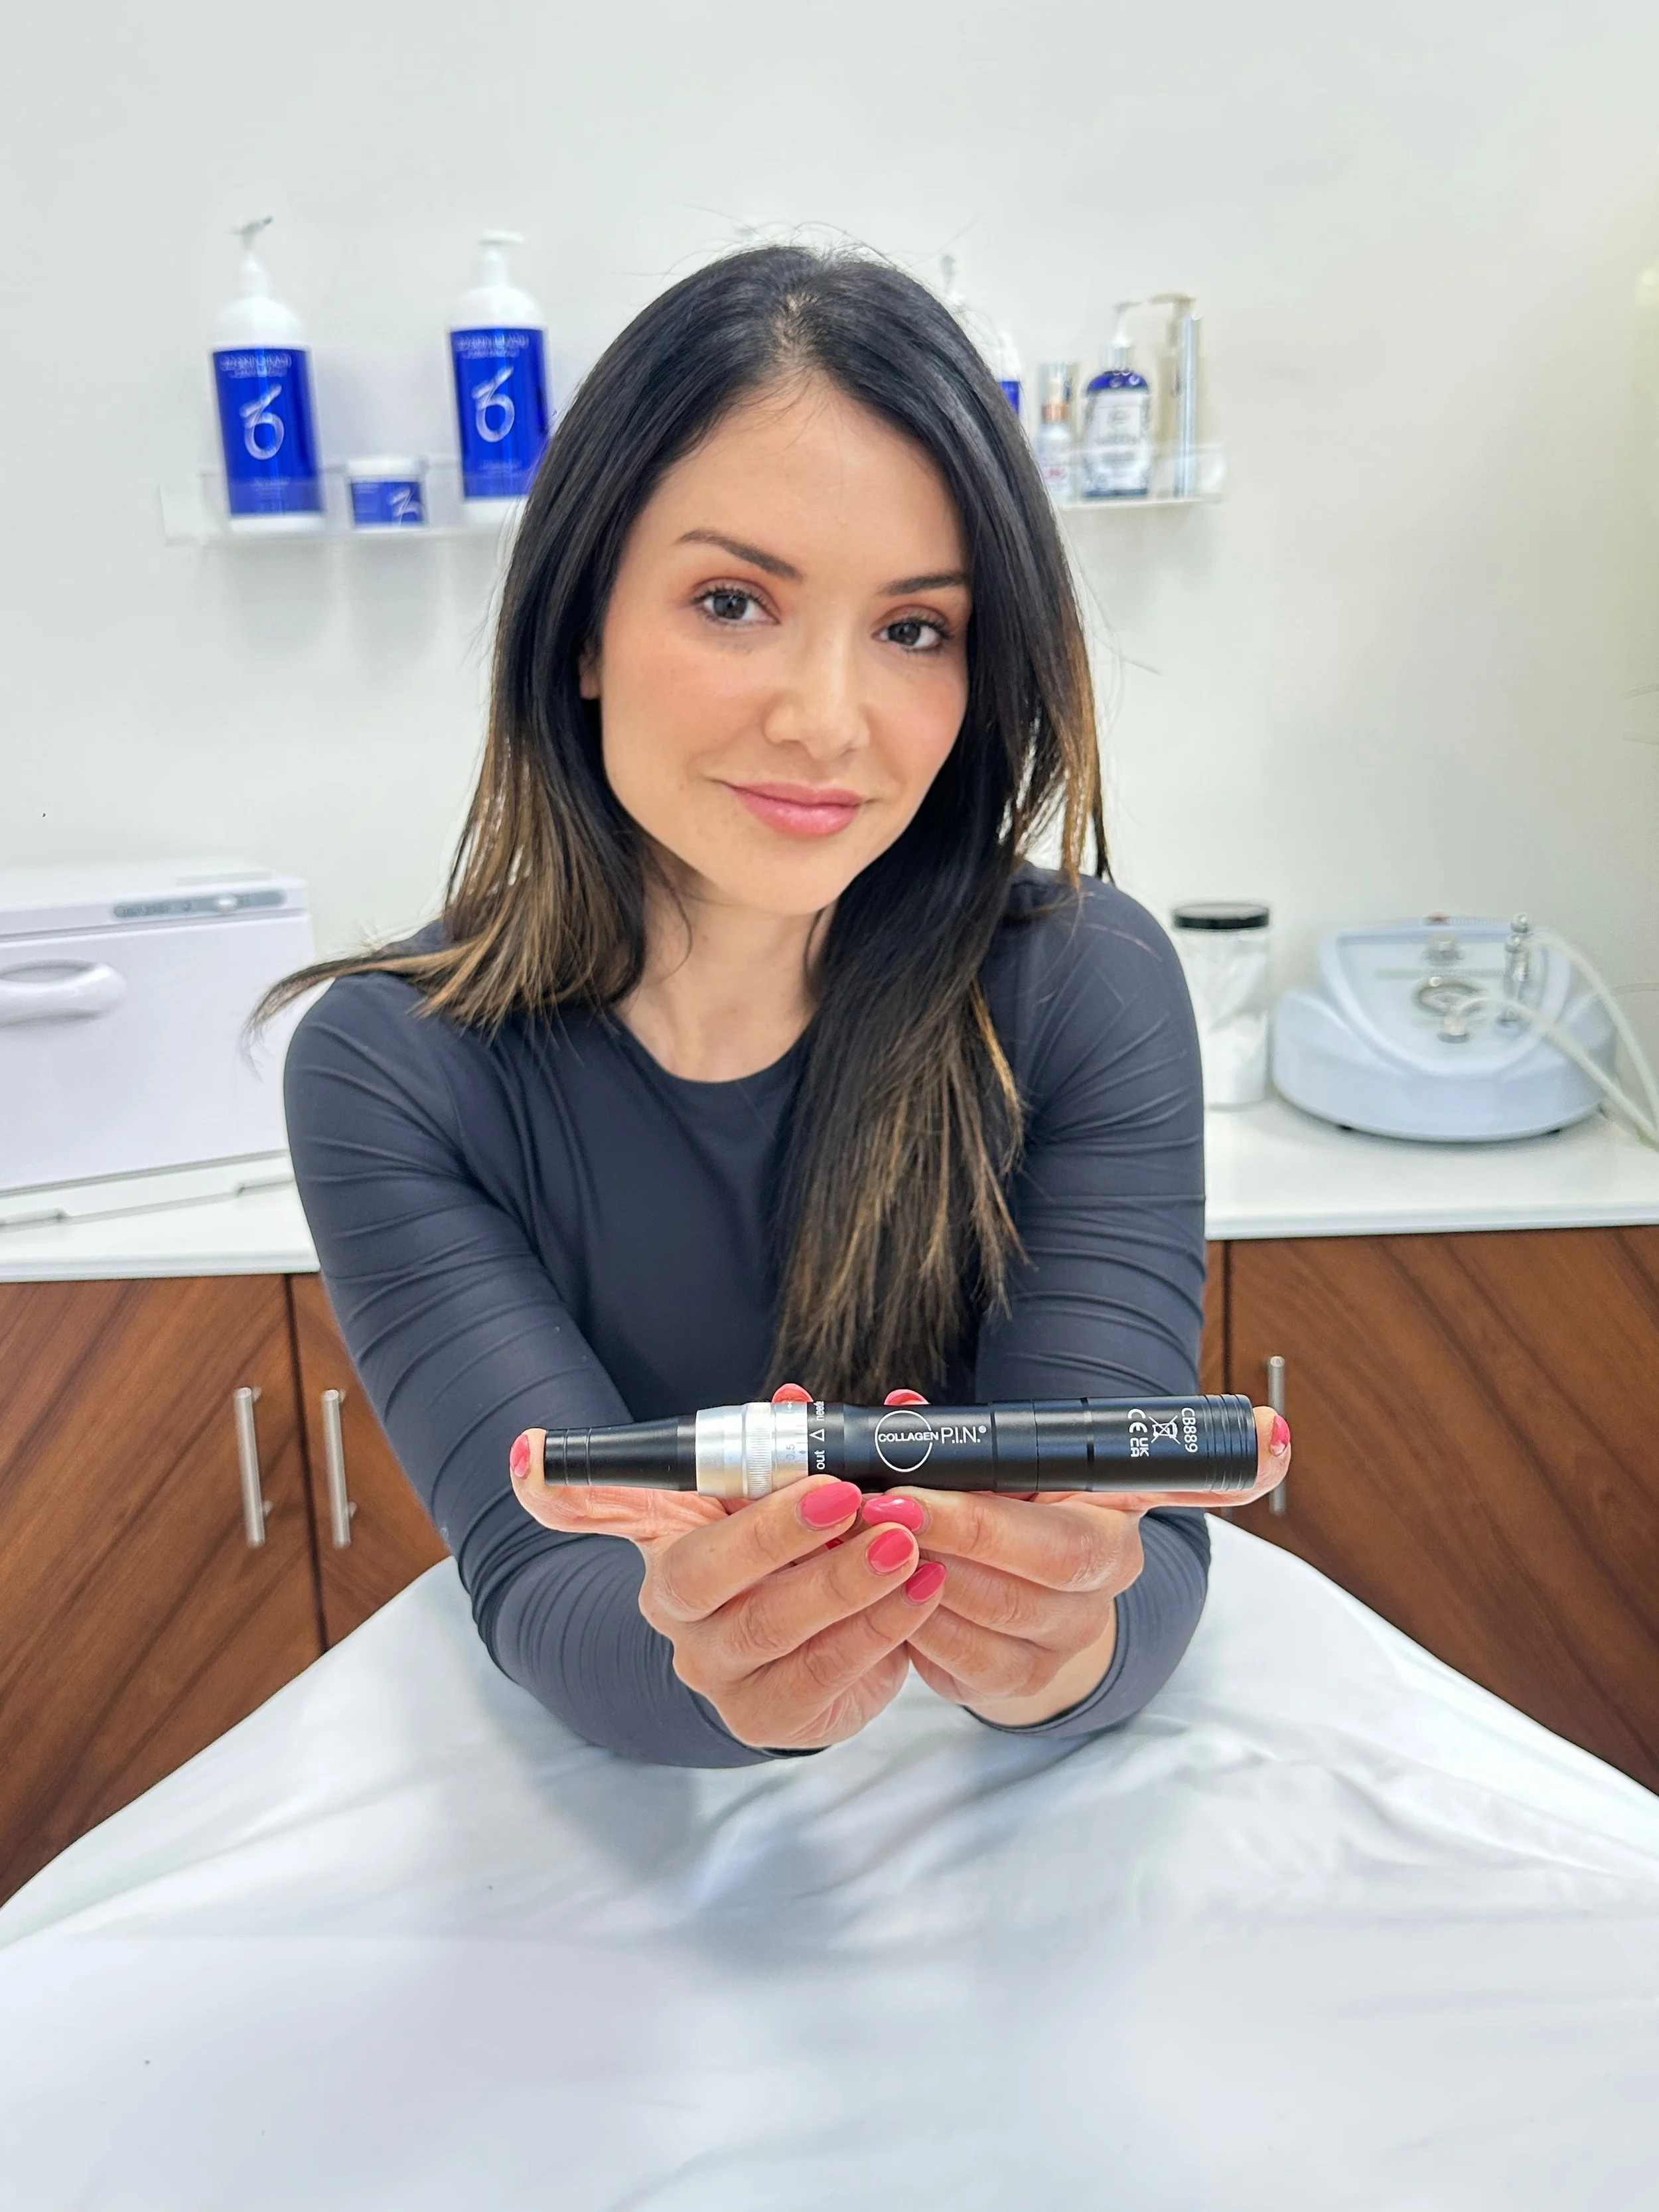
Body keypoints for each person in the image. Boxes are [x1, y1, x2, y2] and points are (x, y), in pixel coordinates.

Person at [277, 244, 1289, 1767]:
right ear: (580, 628)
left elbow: (1131, 1561)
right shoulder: (394, 1070)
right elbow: (547, 1574)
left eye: (913, 629)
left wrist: (1065, 1636)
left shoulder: (1082, 982)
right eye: (732, 600)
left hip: (1012, 1797)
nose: (824, 720)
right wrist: (723, 1663)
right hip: (626, 1823)